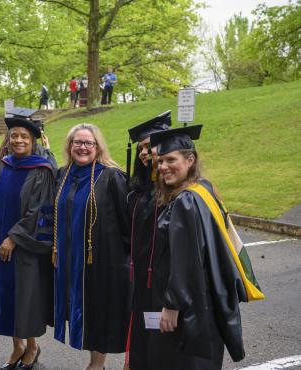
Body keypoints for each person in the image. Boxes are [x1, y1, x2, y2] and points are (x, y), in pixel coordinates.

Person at [128, 125, 249, 370]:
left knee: (178, 360)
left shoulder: (185, 201)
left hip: (187, 305)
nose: (163, 167)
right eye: (160, 160)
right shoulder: (203, 189)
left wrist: (172, 304)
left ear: (190, 159)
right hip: (204, 297)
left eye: (171, 160)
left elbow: (186, 259)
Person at [53, 123, 129, 370]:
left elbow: (127, 221)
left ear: (98, 147)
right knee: (82, 310)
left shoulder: (111, 176)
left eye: (88, 143)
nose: (83, 147)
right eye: (78, 142)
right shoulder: (63, 174)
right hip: (71, 258)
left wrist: (125, 260)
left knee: (99, 312)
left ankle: (97, 364)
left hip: (103, 260)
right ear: (69, 145)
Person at [0, 117, 56, 370]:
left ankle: (32, 346)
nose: (18, 140)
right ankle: (17, 346)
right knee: (6, 298)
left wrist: (13, 238)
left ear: (33, 141)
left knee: (24, 298)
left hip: (24, 246)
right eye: (14, 136)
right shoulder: (4, 166)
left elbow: (40, 212)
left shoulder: (41, 170)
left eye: (24, 137)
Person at [124, 111, 171, 369]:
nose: (143, 152)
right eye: (141, 147)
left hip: (166, 282)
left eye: (150, 146)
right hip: (142, 280)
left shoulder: (179, 193)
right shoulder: (137, 193)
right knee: (143, 336)